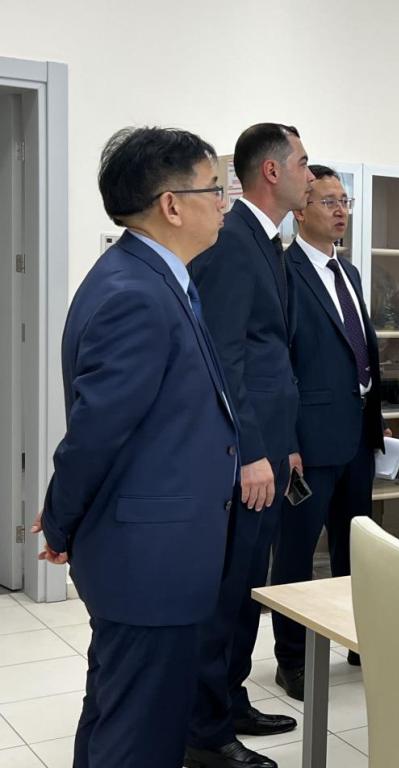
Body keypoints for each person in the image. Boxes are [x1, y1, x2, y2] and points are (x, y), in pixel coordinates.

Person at [34, 126, 236, 767]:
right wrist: (61, 521)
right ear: (171, 204)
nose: (224, 203)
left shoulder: (153, 277)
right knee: (140, 736)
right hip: (150, 559)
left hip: (153, 551)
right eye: (213, 189)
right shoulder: (137, 294)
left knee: (119, 715)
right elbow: (95, 434)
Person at [186, 124, 313, 768]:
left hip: (269, 447)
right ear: (271, 171)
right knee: (226, 591)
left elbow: (269, 353)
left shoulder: (267, 243)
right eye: (304, 164)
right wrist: (253, 450)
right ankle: (204, 734)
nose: (311, 176)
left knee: (244, 591)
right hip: (245, 456)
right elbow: (226, 361)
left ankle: (230, 701)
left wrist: (282, 445)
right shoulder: (234, 244)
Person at [272, 165, 385, 698]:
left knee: (355, 548)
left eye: (345, 201)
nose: (341, 211)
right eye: (328, 201)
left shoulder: (350, 272)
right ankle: (292, 658)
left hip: (357, 435)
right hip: (308, 442)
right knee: (296, 554)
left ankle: (358, 640)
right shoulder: (284, 271)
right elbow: (279, 364)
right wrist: (287, 442)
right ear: (300, 210)